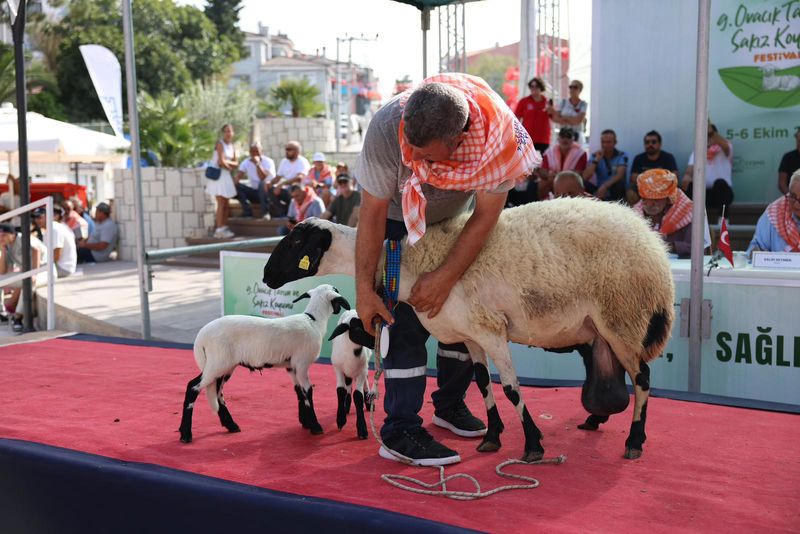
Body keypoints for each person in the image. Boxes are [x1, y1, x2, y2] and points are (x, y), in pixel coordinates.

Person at [354, 73, 539, 465]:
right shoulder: (387, 127)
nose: (417, 164)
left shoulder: (498, 139)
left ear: (459, 140)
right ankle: (399, 430)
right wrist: (364, 291)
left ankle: (449, 404)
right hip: (393, 223)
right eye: (413, 152)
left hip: (459, 223)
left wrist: (445, 276)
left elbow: (487, 215)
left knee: (458, 314)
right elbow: (370, 213)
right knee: (401, 321)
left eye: (430, 157)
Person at [633, 169, 695, 257]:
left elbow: (697, 248)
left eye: (655, 200)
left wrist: (667, 246)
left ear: (668, 198)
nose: (649, 205)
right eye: (645, 199)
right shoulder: (636, 214)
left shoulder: (686, 213)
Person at [0, 222, 48, 332]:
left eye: (3, 235)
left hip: (44, 270)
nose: (0, 238)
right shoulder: (6, 246)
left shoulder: (22, 237)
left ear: (12, 234)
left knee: (29, 281)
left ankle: (18, 317)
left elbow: (36, 250)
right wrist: (2, 251)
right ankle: (1, 313)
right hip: (27, 273)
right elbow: (3, 272)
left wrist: (34, 273)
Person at [682, 122, 734, 216]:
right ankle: (691, 221)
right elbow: (689, 171)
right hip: (704, 194)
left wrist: (711, 131)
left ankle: (723, 220)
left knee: (720, 184)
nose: (708, 138)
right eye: (706, 135)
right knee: (688, 187)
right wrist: (687, 177)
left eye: (710, 135)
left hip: (721, 194)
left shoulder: (725, 148)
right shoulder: (697, 151)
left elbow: (726, 146)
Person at [747, 169, 800, 255]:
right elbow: (754, 249)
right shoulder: (775, 212)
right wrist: (758, 253)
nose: (796, 204)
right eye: (793, 197)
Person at [627, 131, 679, 205]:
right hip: (643, 187)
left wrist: (655, 183)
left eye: (653, 142)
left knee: (676, 191)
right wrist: (650, 184)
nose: (650, 144)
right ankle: (638, 214)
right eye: (647, 142)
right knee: (630, 191)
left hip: (663, 187)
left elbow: (674, 175)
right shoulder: (638, 158)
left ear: (660, 144)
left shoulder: (668, 157)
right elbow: (633, 177)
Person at [206, 124, 239, 238]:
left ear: (233, 133)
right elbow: (220, 162)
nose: (228, 133)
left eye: (229, 131)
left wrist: (227, 163)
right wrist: (228, 164)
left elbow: (236, 163)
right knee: (221, 203)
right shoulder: (220, 144)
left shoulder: (232, 146)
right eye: (225, 131)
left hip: (226, 175)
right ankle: (219, 230)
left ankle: (223, 227)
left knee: (226, 203)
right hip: (218, 176)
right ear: (223, 133)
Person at [539, 127, 588, 199]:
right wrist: (549, 174)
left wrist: (558, 176)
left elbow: (579, 173)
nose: (565, 139)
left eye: (568, 136)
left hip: (570, 180)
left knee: (570, 184)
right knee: (542, 184)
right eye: (562, 136)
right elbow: (543, 171)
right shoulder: (549, 152)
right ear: (558, 139)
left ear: (573, 139)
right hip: (552, 180)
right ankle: (542, 204)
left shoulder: (580, 153)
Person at [583, 129, 629, 202]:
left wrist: (605, 186)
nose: (605, 145)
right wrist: (596, 160)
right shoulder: (595, 155)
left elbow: (620, 175)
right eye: (603, 142)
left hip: (613, 189)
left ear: (615, 142)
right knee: (582, 182)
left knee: (619, 184)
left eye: (608, 142)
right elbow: (585, 176)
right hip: (599, 189)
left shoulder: (622, 155)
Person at [32, 205, 76, 278]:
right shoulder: (51, 227)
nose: (36, 220)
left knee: (29, 273)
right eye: (35, 218)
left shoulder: (54, 229)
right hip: (61, 266)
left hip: (62, 268)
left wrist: (39, 265)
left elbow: (56, 255)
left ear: (48, 217)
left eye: (39, 217)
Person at [234, 142, 275, 219]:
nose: (255, 153)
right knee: (237, 186)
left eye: (257, 151)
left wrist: (258, 164)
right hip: (254, 193)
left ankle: (265, 213)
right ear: (249, 152)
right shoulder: (246, 162)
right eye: (252, 151)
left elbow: (262, 177)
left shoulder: (268, 162)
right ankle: (247, 212)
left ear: (261, 151)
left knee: (262, 183)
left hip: (267, 193)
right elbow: (238, 176)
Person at [777, 130, 800, 195]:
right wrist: (792, 197)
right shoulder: (788, 157)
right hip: (792, 199)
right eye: (799, 141)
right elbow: (782, 183)